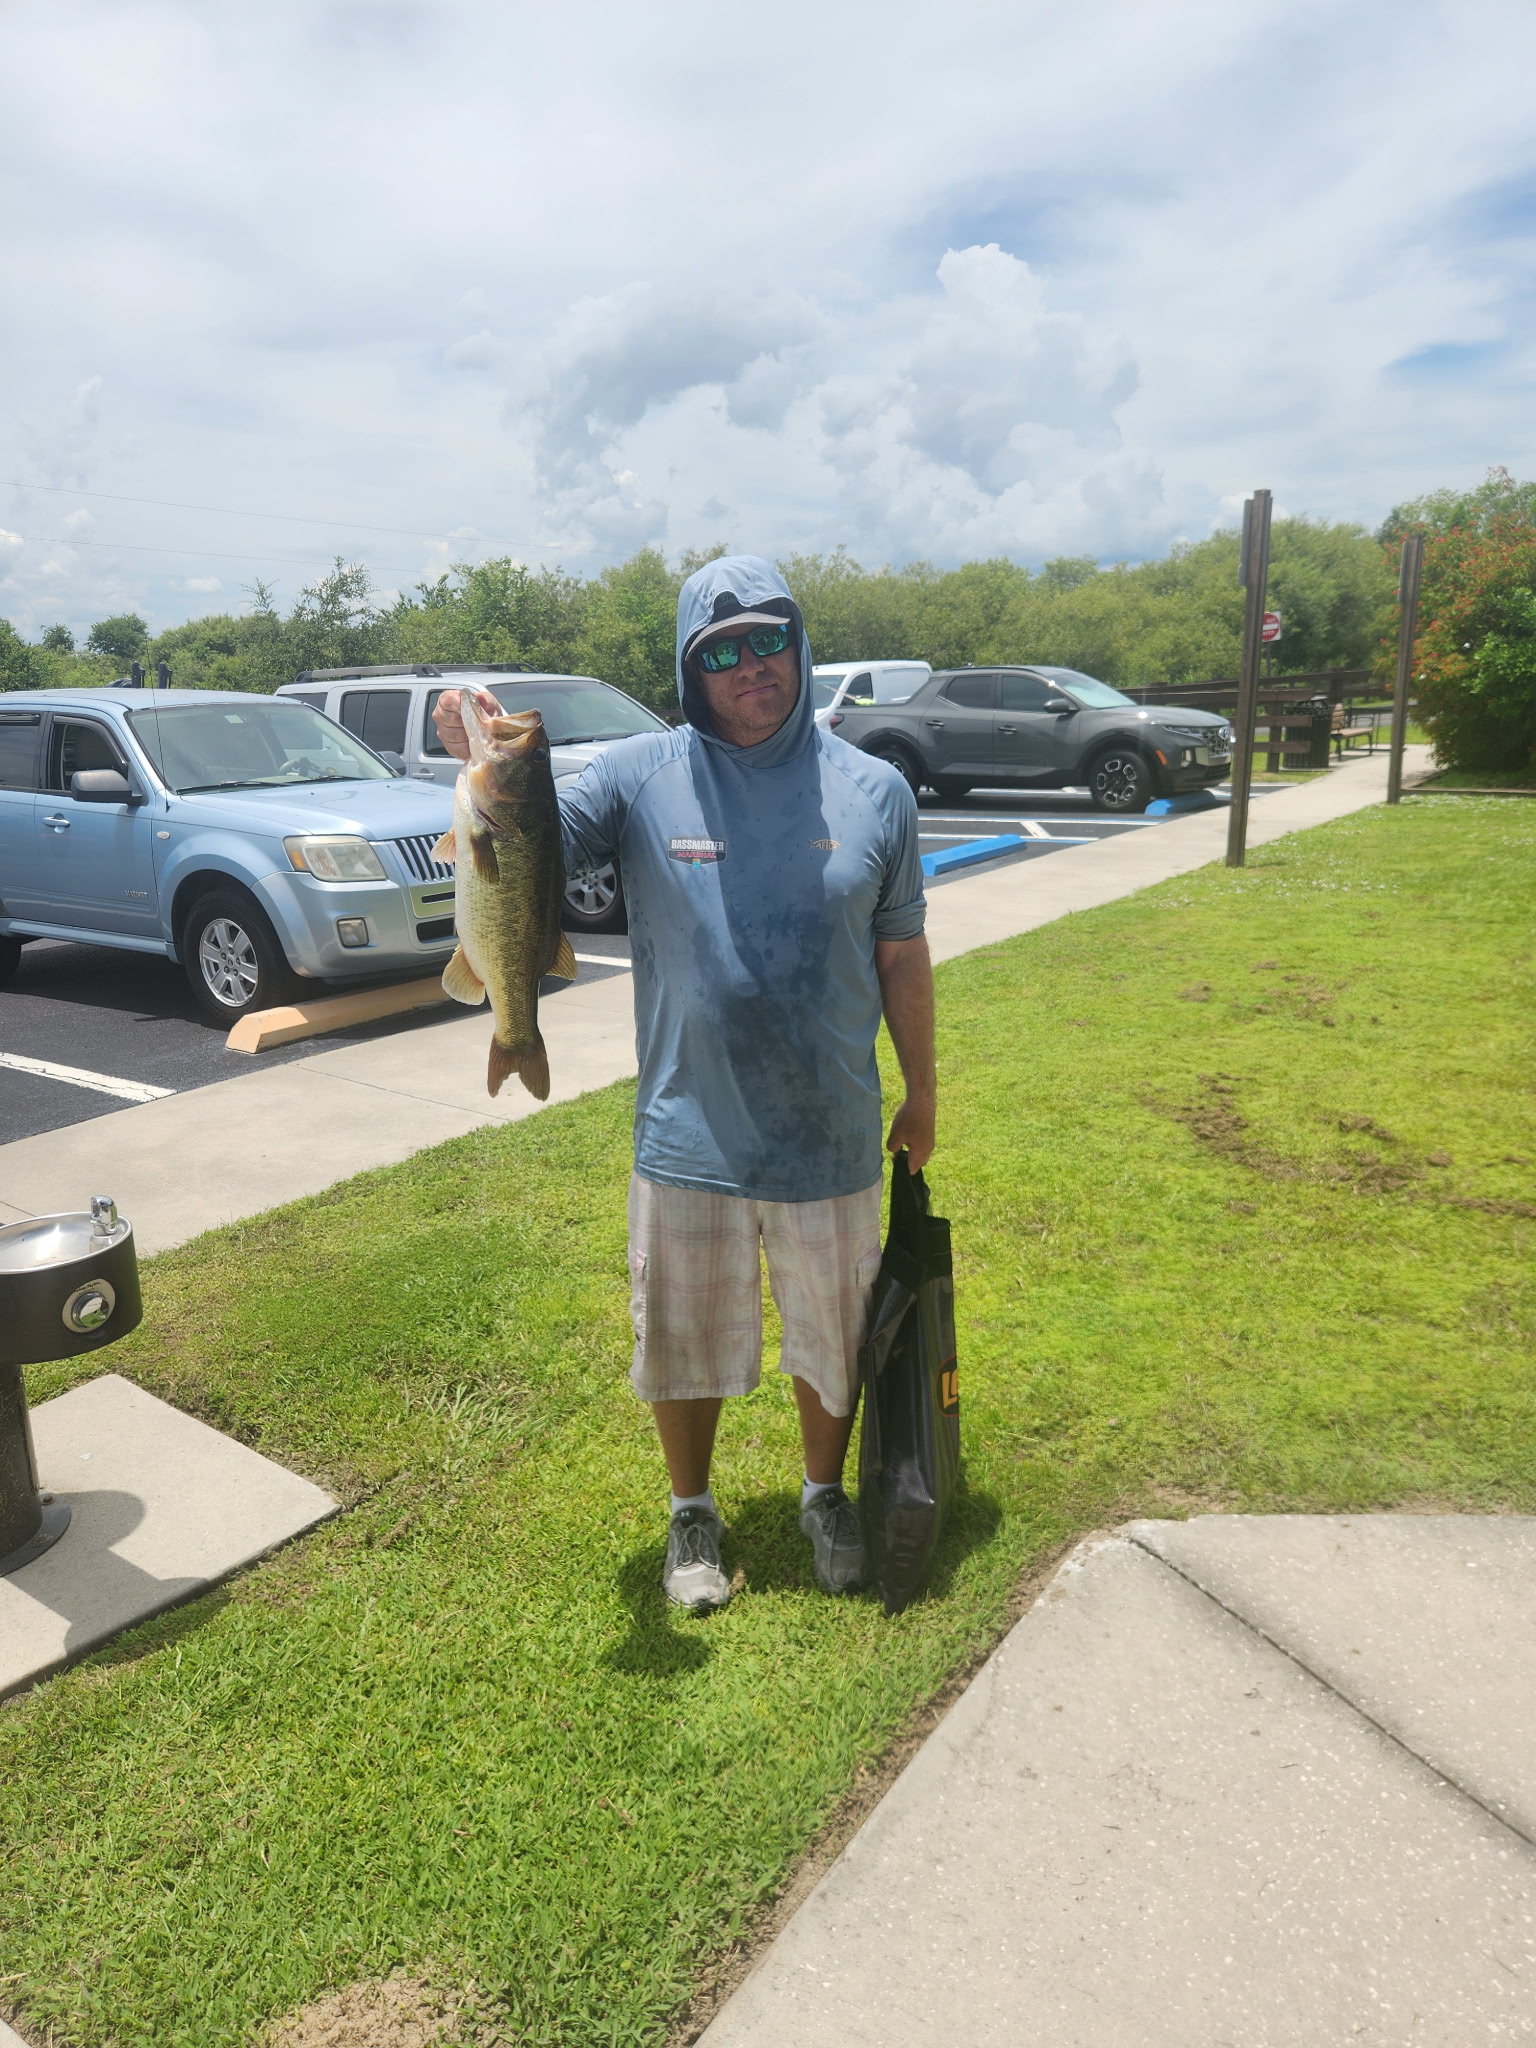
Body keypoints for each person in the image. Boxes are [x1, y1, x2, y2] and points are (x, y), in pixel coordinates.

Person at [433, 554, 935, 1611]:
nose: (750, 665)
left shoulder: (876, 789)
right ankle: (691, 1510)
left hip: (830, 1124)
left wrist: (922, 1088)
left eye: (767, 639)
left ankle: (822, 1490)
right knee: (682, 1336)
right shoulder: (637, 774)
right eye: (721, 651)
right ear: (689, 669)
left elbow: (901, 955)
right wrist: (470, 752)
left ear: (797, 642)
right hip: (688, 1123)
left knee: (831, 1333)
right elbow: (524, 841)